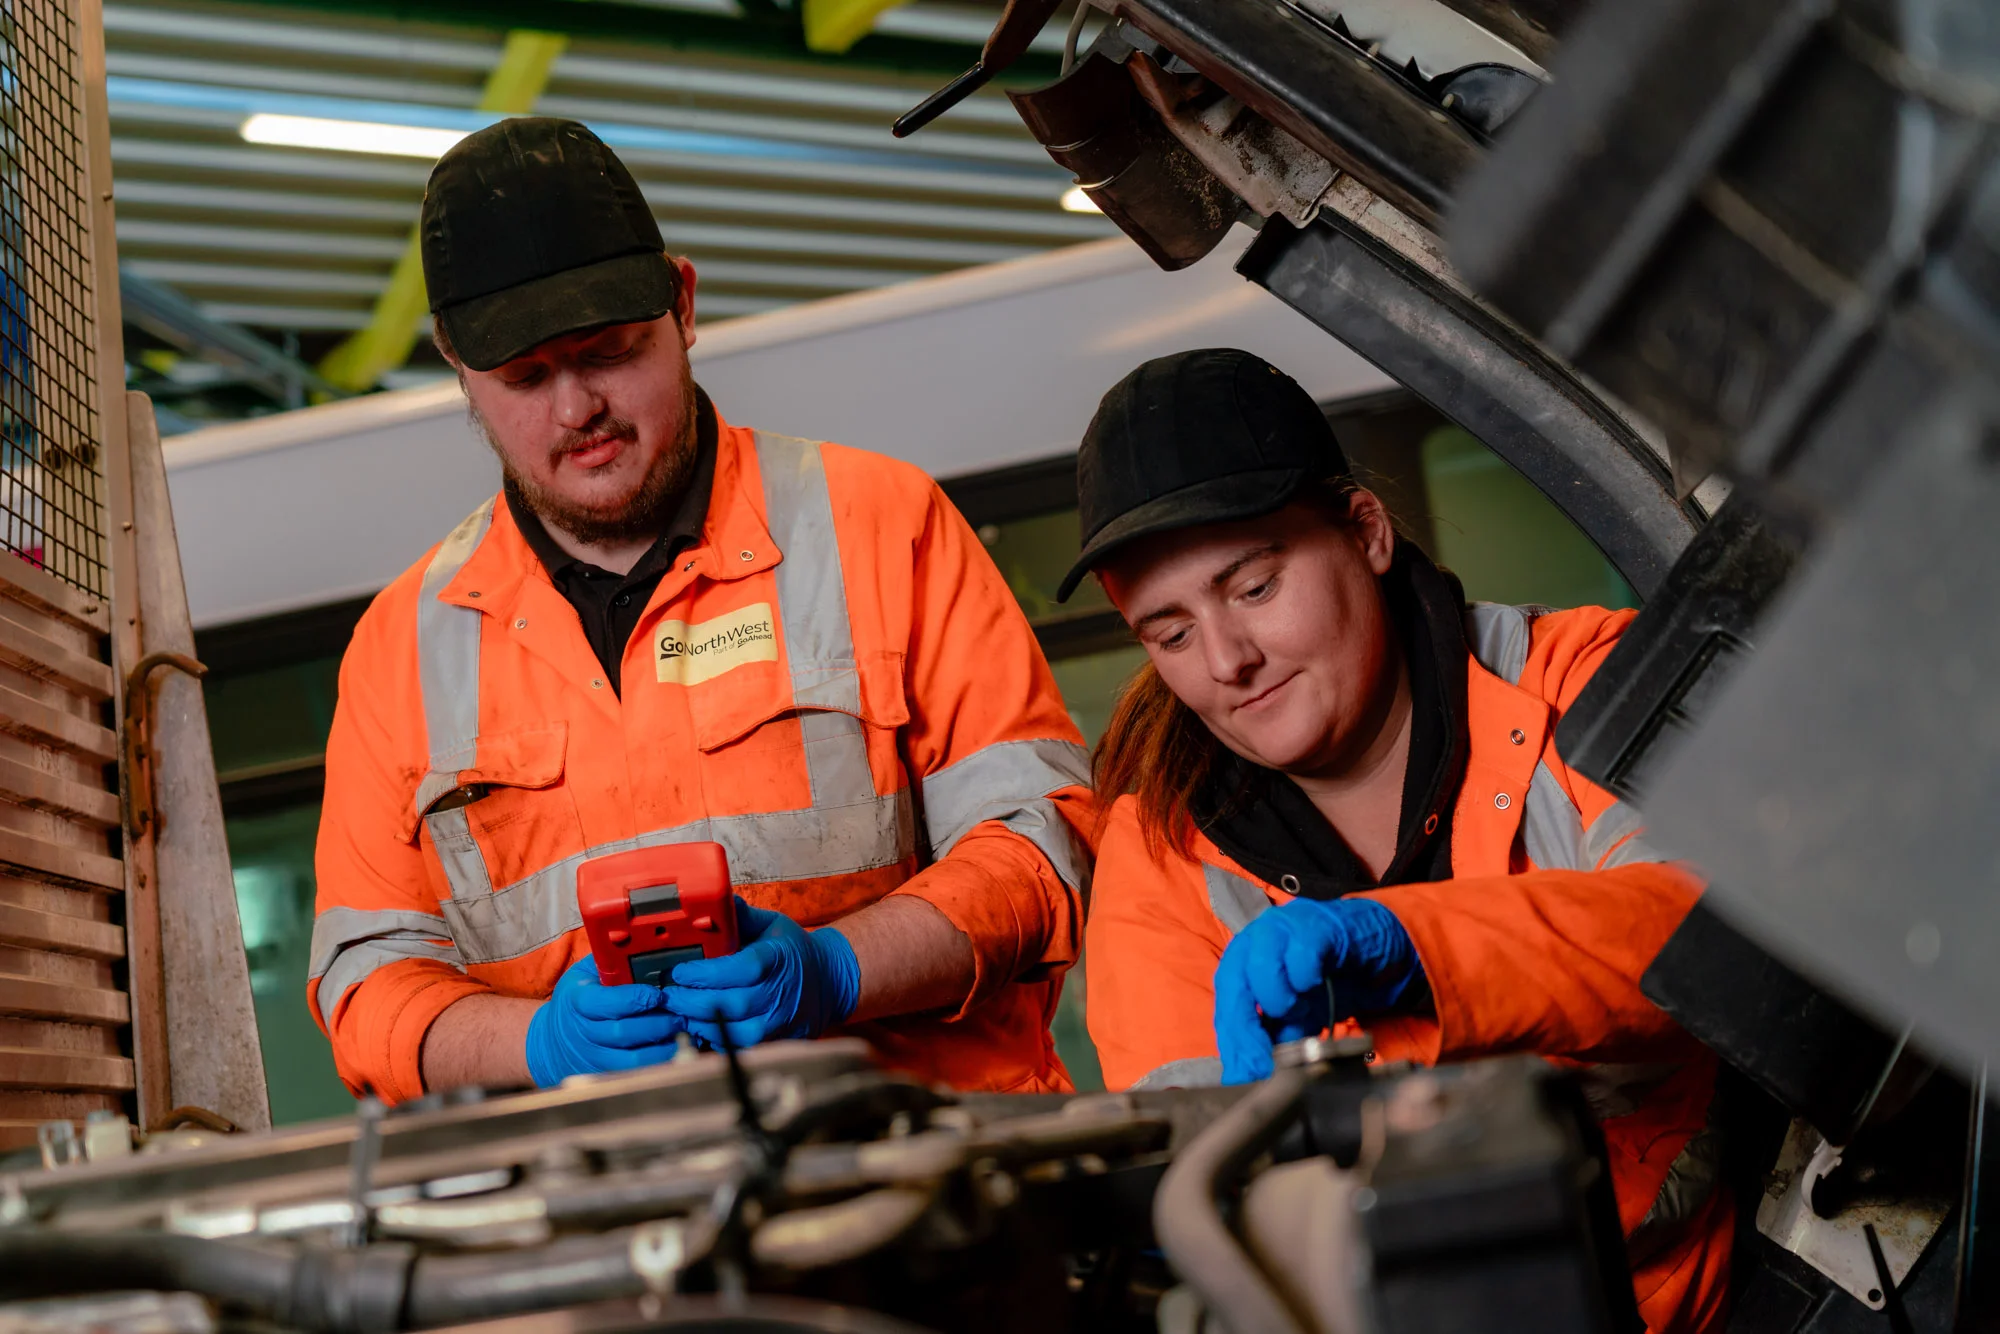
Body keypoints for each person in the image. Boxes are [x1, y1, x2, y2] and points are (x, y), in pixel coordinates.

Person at [308, 118, 1091, 1102]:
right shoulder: (402, 647)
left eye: (609, 352)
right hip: (609, 1221)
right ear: (458, 367)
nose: (575, 409)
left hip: (931, 1184)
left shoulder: (878, 525)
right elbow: (365, 979)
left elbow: (1039, 843)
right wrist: (541, 1043)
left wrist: (836, 969)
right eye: (525, 378)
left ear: (681, 303)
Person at [1067, 350, 1729, 1332]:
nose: (1224, 660)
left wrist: (1415, 947)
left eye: (1251, 585)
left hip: (1712, 1294)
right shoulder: (1157, 855)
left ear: (1365, 531)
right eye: (1167, 633)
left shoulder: (1583, 681)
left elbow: (1715, 937)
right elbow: (1200, 1183)